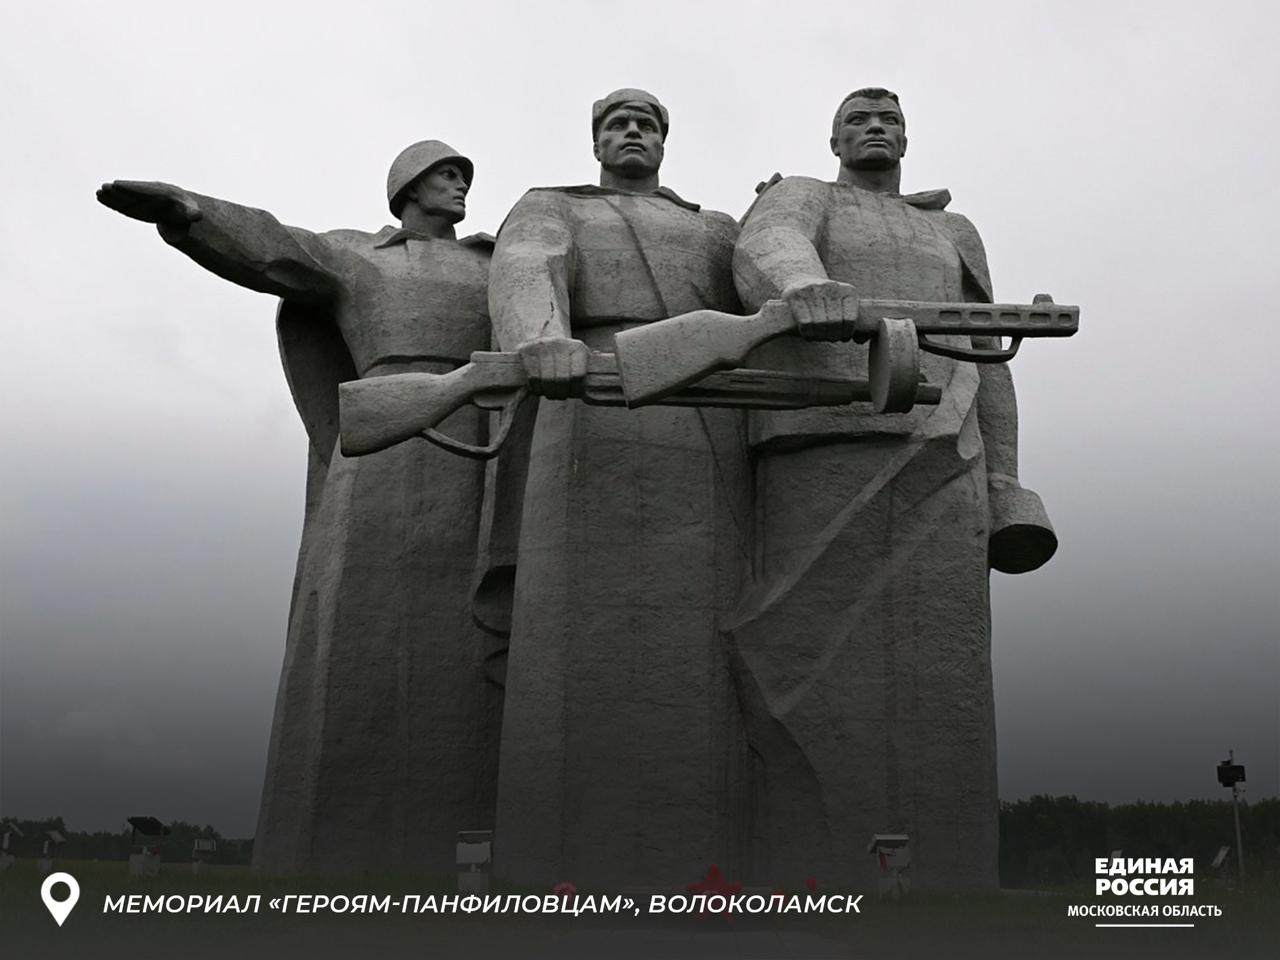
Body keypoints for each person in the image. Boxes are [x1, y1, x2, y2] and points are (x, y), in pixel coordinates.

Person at [97, 141, 502, 877]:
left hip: (485, 444)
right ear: (407, 188)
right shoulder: (357, 256)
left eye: (464, 177)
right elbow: (273, 245)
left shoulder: (495, 263)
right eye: (446, 174)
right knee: (360, 630)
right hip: (383, 445)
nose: (460, 186)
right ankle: (333, 844)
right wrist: (189, 210)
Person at [729, 88, 1056, 890]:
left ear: (906, 139)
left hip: (945, 449)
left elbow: (988, 356)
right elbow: (766, 241)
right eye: (859, 118)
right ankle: (806, 866)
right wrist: (804, 285)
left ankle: (945, 875)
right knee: (798, 663)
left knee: (941, 677)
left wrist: (1005, 479)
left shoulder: (952, 229)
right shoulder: (802, 194)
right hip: (823, 439)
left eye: (890, 119)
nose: (876, 127)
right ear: (834, 138)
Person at [487, 89, 752, 887]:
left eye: (646, 124)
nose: (632, 132)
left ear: (664, 142)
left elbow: (763, 290)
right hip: (588, 399)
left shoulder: (714, 227)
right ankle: (555, 866)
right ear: (597, 142)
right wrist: (543, 339)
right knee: (570, 626)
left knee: (704, 633)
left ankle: (705, 865)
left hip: (705, 417)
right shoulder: (554, 206)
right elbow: (526, 267)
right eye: (616, 124)